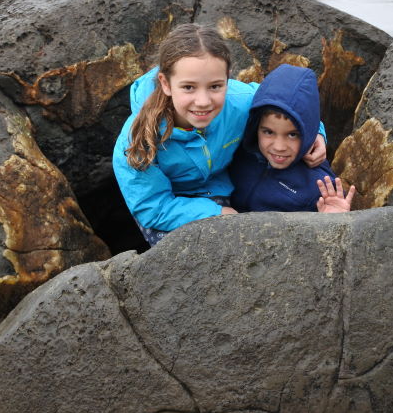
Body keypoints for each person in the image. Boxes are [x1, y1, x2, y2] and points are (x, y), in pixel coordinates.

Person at [112, 23, 328, 246]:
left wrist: (317, 134)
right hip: (165, 207)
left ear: (228, 78)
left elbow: (292, 106)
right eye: (188, 87)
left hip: (216, 187)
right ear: (165, 83)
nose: (203, 101)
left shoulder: (240, 101)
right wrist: (216, 213)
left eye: (215, 86)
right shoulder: (136, 139)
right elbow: (152, 207)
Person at [229, 64, 356, 214]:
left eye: (292, 135)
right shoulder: (236, 148)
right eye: (268, 132)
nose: (279, 147)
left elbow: (333, 226)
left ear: (309, 133)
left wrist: (331, 220)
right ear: (256, 127)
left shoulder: (319, 185)